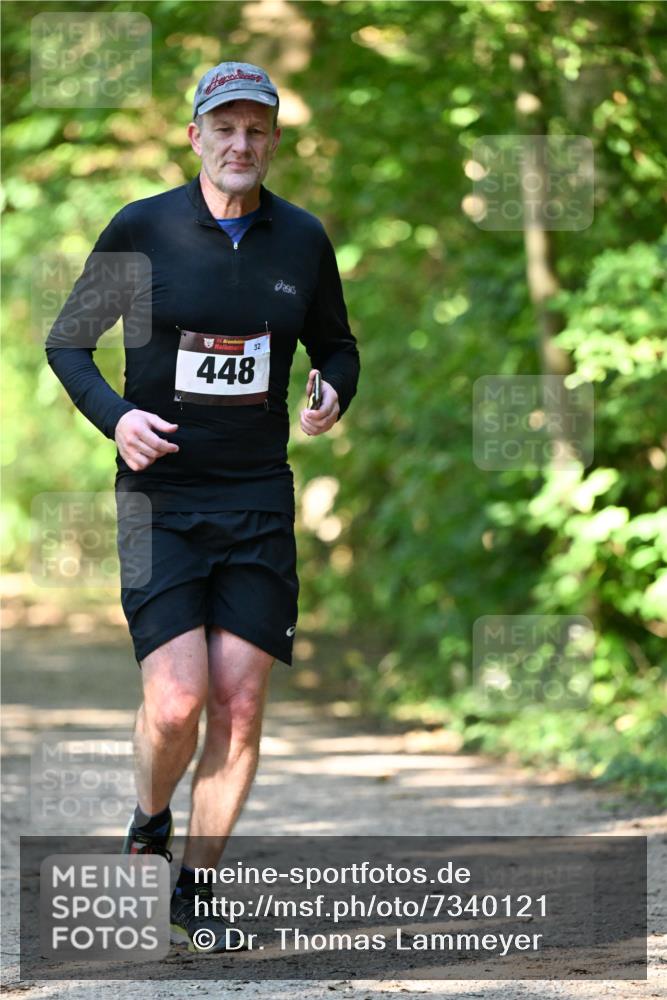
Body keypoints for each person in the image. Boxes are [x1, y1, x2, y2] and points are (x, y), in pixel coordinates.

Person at [44, 61, 360, 953]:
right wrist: (117, 420)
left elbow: (338, 346)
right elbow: (68, 343)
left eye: (256, 129)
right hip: (160, 498)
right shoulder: (141, 229)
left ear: (273, 141)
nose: (240, 143)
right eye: (224, 127)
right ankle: (149, 821)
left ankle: (202, 886)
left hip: (258, 496)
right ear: (195, 137)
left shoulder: (301, 239)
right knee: (177, 701)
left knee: (241, 700)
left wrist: (334, 388)